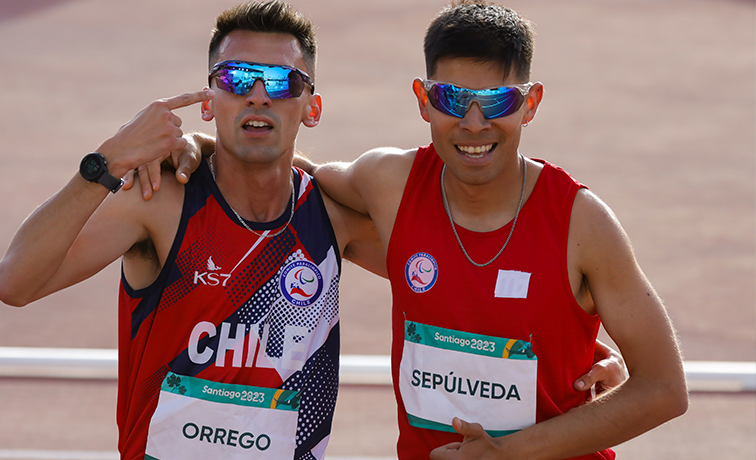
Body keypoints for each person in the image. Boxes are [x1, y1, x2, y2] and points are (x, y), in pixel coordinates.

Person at [168, 1, 688, 459]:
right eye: (453, 99)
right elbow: (291, 174)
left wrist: (510, 453)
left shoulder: (581, 223)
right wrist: (205, 143)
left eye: (499, 101)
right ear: (423, 100)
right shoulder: (388, 184)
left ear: (530, 104)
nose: (475, 122)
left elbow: (664, 387)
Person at [0, 1, 386, 459]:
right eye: (236, 77)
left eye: (282, 82)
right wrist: (109, 161)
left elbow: (446, 266)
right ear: (208, 101)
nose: (258, 95)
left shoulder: (330, 219)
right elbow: (13, 283)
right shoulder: (159, 202)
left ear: (311, 107)